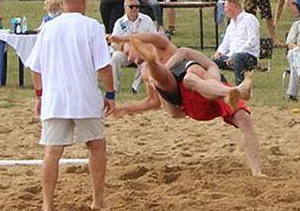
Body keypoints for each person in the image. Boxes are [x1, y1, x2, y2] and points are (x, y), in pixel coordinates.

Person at [112, 36, 263, 177]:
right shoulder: (148, 72)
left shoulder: (166, 48)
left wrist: (123, 37)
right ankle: (235, 91)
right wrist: (126, 108)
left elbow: (198, 59)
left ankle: (257, 172)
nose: (129, 58)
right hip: (191, 97)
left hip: (211, 90)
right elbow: (154, 102)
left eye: (128, 52)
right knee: (184, 76)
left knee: (245, 120)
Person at [26, 0, 115, 211]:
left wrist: (39, 95)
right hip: (84, 97)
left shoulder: (48, 28)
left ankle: (48, 204)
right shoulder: (92, 26)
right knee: (96, 146)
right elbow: (104, 66)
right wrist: (111, 94)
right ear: (83, 1)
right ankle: (97, 200)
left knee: (52, 151)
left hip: (55, 98)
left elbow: (35, 68)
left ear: (63, 3)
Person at [110, 0, 157, 92]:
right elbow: (114, 43)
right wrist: (126, 48)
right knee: (115, 57)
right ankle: (114, 87)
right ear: (125, 8)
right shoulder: (119, 23)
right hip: (125, 52)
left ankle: (135, 87)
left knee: (148, 59)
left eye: (137, 6)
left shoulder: (147, 19)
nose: (135, 9)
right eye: (131, 6)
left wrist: (140, 49)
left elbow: (154, 38)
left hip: (142, 51)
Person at [212, 0, 260, 85]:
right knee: (213, 61)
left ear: (235, 6)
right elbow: (225, 42)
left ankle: (240, 85)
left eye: (227, 7)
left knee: (238, 57)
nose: (225, 10)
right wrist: (219, 51)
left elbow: (253, 40)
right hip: (231, 56)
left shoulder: (249, 19)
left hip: (249, 56)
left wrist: (235, 54)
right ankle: (221, 85)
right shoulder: (231, 24)